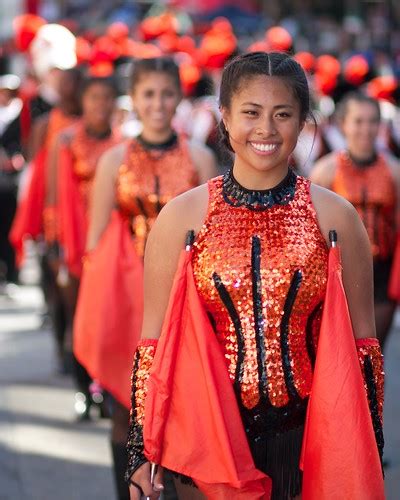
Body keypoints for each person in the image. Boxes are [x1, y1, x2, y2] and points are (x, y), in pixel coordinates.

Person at [125, 52, 384, 500]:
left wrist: (366, 455)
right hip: (205, 440)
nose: (266, 129)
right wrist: (142, 451)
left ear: (303, 122)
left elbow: (364, 351)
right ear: (224, 116)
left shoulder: (335, 216)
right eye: (250, 113)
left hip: (308, 439)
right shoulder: (182, 216)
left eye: (282, 114)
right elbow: (153, 346)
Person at [73, 57, 217, 500]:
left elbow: (217, 236)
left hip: (188, 302)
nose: (158, 104)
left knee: (184, 409)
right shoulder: (113, 160)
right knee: (126, 409)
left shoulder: (200, 157)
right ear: (133, 100)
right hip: (127, 301)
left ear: (178, 97)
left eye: (166, 93)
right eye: (148, 94)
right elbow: (95, 245)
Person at [45, 76, 120, 414]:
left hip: (111, 246)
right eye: (93, 97)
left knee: (106, 319)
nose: (100, 105)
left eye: (107, 97)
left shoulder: (123, 146)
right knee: (79, 316)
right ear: (83, 101)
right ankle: (83, 390)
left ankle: (103, 386)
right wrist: (55, 243)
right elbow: (54, 197)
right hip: (73, 244)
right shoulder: (66, 142)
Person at [310, 91, 400, 350]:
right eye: (358, 121)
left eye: (373, 121)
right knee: (341, 350)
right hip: (339, 273)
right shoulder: (325, 171)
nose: (366, 129)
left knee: (371, 350)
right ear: (343, 125)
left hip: (381, 272)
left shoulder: (394, 171)